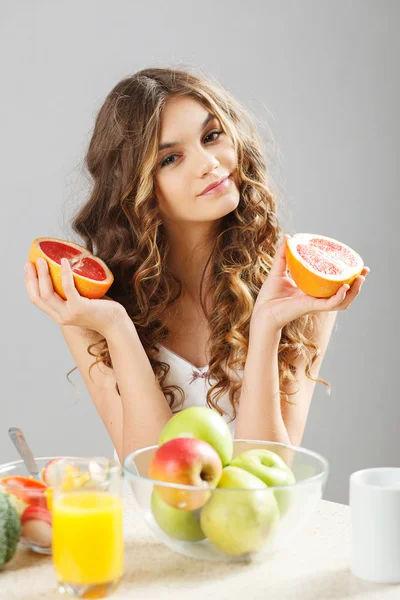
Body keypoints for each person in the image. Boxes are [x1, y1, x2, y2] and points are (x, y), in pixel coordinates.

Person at [23, 67, 369, 463]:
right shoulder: (96, 307)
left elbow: (266, 478)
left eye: (212, 136)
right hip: (148, 525)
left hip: (251, 523)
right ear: (134, 186)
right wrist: (117, 328)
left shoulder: (300, 288)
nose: (209, 164)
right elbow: (152, 476)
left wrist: (267, 325)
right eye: (171, 158)